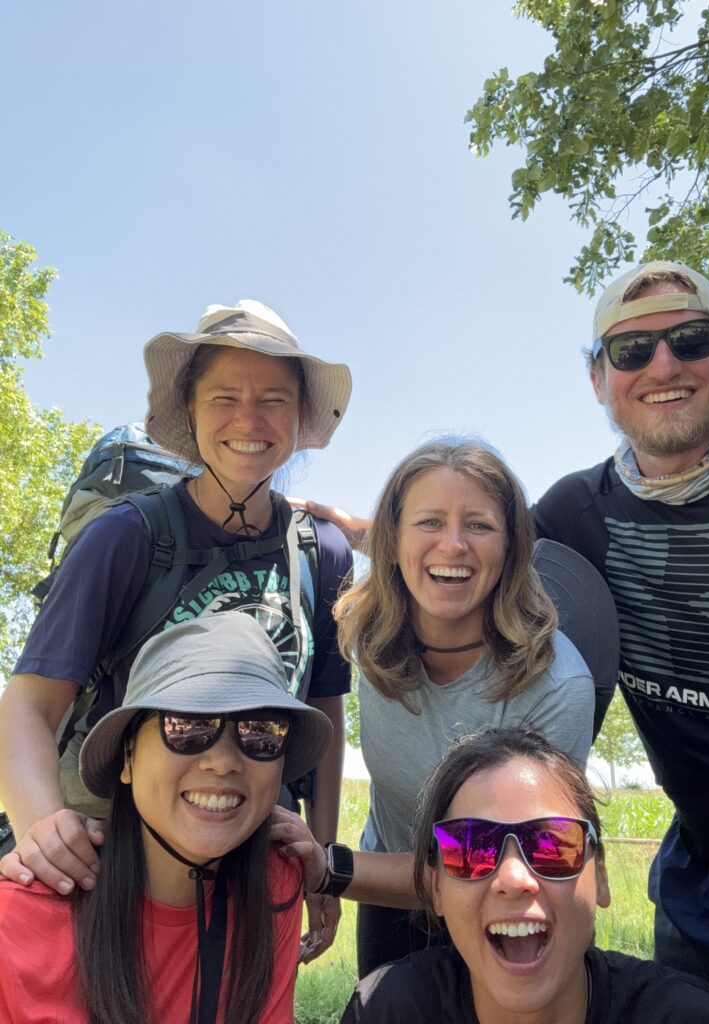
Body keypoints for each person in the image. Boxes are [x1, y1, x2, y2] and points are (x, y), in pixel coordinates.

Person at [0, 299, 352, 961]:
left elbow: (324, 705)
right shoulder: (126, 537)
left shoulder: (323, 553)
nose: (249, 419)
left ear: (301, 415)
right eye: (225, 396)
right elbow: (29, 701)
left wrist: (323, 856)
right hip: (114, 868)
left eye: (274, 399)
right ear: (188, 411)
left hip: (249, 866)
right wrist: (42, 826)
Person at [532, 261, 709, 1022]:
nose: (663, 365)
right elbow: (467, 560)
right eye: (631, 351)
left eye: (690, 340)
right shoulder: (572, 512)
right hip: (695, 876)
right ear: (598, 379)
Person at [335, 439, 598, 975]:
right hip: (389, 903)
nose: (452, 545)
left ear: (511, 548)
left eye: (479, 525)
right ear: (392, 537)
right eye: (429, 522)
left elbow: (523, 863)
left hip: (508, 909)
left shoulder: (557, 685)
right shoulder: (368, 637)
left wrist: (326, 868)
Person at [0, 612, 334, 1024]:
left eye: (260, 731)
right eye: (188, 726)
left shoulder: (274, 883)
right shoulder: (19, 921)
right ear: (127, 756)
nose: (224, 762)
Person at [338, 727, 709, 1024]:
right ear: (437, 889)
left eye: (551, 845)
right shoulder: (385, 1012)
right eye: (470, 848)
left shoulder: (687, 1017)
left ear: (600, 877)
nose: (513, 878)